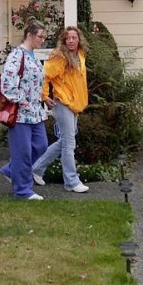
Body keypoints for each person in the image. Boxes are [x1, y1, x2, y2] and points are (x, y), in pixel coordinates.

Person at [32, 26, 90, 193]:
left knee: (64, 141)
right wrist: (44, 96)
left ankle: (36, 169)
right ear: (64, 41)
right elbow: (45, 75)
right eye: (68, 38)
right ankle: (71, 181)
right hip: (62, 102)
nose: (71, 40)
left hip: (75, 104)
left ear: (79, 39)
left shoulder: (80, 55)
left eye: (74, 37)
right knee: (69, 143)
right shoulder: (59, 57)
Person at [0, 19, 49, 200]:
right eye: (40, 36)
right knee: (23, 152)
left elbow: (34, 83)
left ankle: (11, 170)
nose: (43, 40)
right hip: (19, 114)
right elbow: (7, 85)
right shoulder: (16, 56)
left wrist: (42, 98)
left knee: (41, 146)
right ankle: (22, 191)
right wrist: (22, 101)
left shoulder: (33, 55)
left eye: (44, 37)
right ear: (29, 35)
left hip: (35, 113)